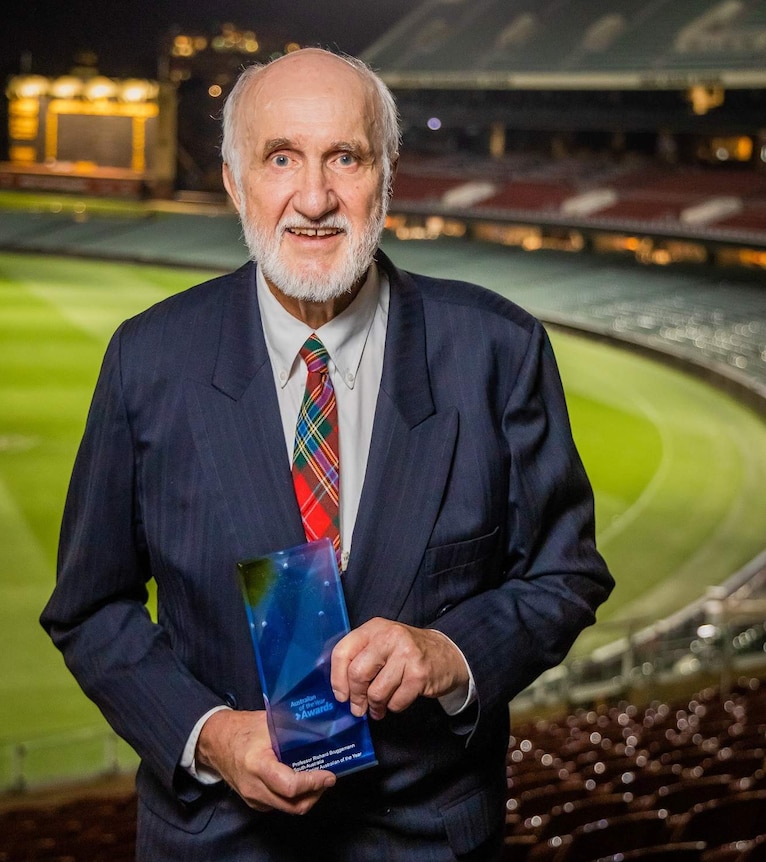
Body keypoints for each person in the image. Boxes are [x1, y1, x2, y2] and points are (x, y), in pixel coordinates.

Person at [41, 48, 613, 861]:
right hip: (218, 844)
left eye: (345, 157)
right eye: (282, 158)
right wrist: (209, 737)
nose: (314, 198)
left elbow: (567, 574)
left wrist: (451, 653)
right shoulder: (149, 358)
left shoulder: (498, 350)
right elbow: (90, 607)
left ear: (387, 177)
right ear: (237, 184)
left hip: (427, 841)